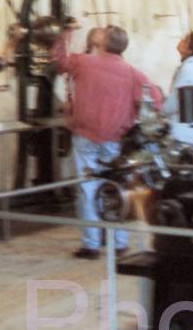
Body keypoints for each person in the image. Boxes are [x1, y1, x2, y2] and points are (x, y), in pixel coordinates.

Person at [52, 23, 163, 259]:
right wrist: (132, 118)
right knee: (116, 188)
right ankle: (119, 242)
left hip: (85, 137)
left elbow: (59, 61)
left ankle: (91, 245)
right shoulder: (132, 73)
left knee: (88, 188)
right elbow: (155, 100)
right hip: (115, 140)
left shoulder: (84, 62)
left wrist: (65, 34)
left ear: (102, 42)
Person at [164, 32, 193, 147]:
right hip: (190, 132)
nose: (180, 40)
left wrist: (161, 110)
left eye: (184, 40)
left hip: (185, 136)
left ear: (189, 50)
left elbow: (176, 101)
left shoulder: (189, 69)